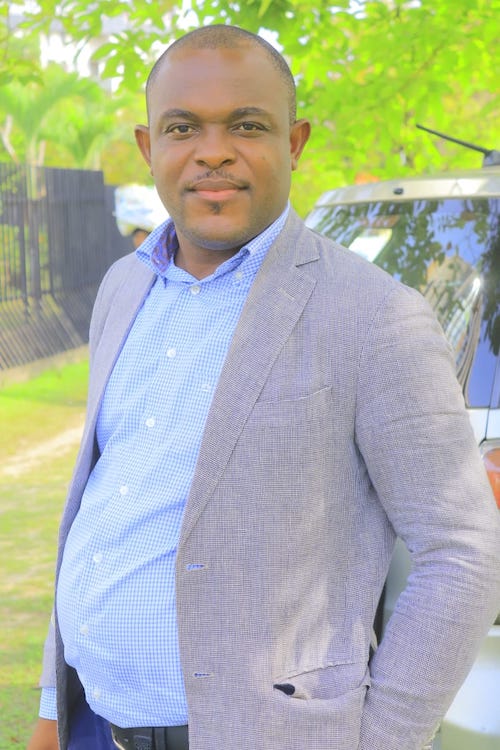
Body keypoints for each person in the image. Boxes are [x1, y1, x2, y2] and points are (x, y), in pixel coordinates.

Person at [28, 24, 500, 750]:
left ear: (295, 142)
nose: (213, 150)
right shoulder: (124, 287)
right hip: (96, 724)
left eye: (246, 125)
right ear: (149, 147)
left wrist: (383, 741)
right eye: (183, 127)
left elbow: (462, 551)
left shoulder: (375, 316)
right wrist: (50, 708)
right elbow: (104, 506)